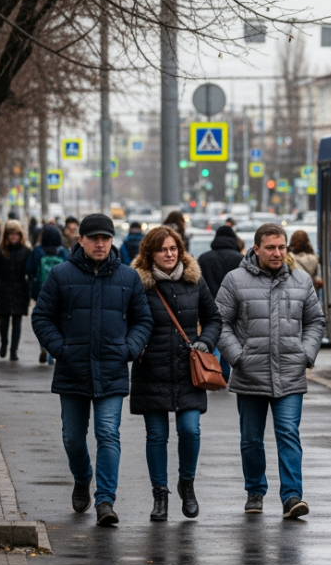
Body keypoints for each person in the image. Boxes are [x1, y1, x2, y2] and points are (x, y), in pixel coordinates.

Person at [31, 214, 152, 526]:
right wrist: (61, 349)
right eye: (94, 238)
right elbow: (42, 316)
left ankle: (105, 501)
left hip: (112, 369)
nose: (100, 243)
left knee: (108, 434)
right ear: (80, 240)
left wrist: (129, 348)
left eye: (106, 238)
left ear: (112, 241)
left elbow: (143, 320)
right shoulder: (60, 274)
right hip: (72, 369)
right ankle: (83, 477)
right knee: (72, 437)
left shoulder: (128, 277)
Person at [216, 223, 325, 519]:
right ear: (256, 249)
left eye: (281, 247)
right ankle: (255, 490)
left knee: (288, 433)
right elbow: (220, 323)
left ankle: (292, 496)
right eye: (271, 248)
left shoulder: (301, 280)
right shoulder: (235, 280)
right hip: (250, 373)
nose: (277, 253)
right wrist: (237, 357)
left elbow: (316, 321)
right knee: (251, 438)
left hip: (290, 373)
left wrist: (306, 354)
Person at [129, 226, 221, 522]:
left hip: (187, 370)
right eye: (162, 250)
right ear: (150, 254)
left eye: (173, 249)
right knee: (156, 435)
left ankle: (187, 484)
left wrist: (205, 341)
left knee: (190, 430)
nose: (169, 254)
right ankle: (160, 494)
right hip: (151, 368)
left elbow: (214, 319)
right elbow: (125, 320)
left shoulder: (194, 281)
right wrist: (136, 346)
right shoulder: (137, 284)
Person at [198, 224, 244, 380]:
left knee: (212, 335)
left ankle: (210, 367)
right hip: (233, 305)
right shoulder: (238, 258)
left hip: (208, 305)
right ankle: (224, 370)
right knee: (229, 336)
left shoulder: (204, 258)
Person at [0, 221, 30, 360]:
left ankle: (13, 350)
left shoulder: (25, 251)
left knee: (17, 323)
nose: (14, 237)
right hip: (2, 291)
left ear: (20, 235)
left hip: (20, 291)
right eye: (11, 233)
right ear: (6, 235)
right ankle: (4, 343)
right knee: (3, 322)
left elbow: (30, 273)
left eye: (16, 234)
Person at [27, 224, 66, 365]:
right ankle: (52, 352)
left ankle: (43, 346)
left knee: (43, 320)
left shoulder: (37, 251)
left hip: (40, 291)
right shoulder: (62, 251)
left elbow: (29, 268)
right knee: (57, 321)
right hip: (60, 292)